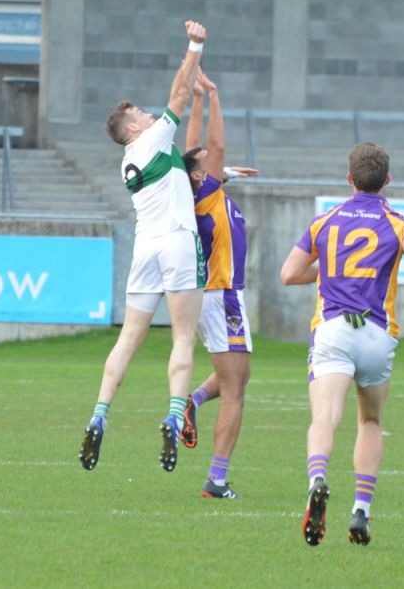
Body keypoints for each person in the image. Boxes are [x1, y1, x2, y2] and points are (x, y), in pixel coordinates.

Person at [280, 142, 404, 547]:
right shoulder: (401, 222)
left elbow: (288, 273)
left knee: (324, 417)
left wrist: (328, 272)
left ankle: (318, 480)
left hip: (333, 330)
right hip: (376, 336)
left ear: (349, 179)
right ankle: (361, 511)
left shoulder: (325, 221)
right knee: (370, 421)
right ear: (387, 181)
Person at [80, 19, 207, 474]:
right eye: (143, 114)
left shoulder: (131, 160)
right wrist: (194, 46)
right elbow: (178, 93)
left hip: (145, 248)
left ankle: (99, 414)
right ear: (132, 126)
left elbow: (179, 170)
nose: (152, 115)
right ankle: (175, 417)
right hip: (176, 243)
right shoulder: (151, 137)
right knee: (182, 337)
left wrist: (221, 174)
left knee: (128, 340)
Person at [179, 69, 260, 499]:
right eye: (208, 166)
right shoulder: (204, 193)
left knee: (239, 377)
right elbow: (213, 146)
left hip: (216, 294)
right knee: (234, 391)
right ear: (199, 175)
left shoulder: (201, 189)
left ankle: (191, 402)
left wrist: (195, 101)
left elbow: (195, 151)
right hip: (222, 293)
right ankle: (217, 479)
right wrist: (213, 94)